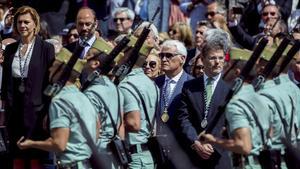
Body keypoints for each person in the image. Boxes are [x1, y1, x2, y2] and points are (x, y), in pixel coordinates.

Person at [17, 49, 99, 169]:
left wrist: (31, 143)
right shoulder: (83, 96)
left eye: (53, 66)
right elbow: (97, 130)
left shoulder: (60, 100)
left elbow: (59, 144)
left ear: (61, 71)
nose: (49, 70)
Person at [1, 6, 55, 169]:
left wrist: (48, 111)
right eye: (19, 22)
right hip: (15, 110)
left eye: (26, 22)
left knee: (34, 157)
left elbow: (50, 81)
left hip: (37, 111)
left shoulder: (46, 48)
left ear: (35, 24)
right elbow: (6, 83)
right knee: (17, 155)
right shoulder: (10, 49)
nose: (22, 25)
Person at [202, 48, 273, 169]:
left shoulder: (236, 103)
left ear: (236, 71)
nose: (223, 68)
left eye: (227, 65)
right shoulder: (261, 96)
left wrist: (213, 140)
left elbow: (244, 147)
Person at [176, 28, 231, 169]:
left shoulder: (231, 88)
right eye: (213, 58)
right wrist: (196, 142)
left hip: (220, 157)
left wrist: (214, 144)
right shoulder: (189, 86)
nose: (217, 62)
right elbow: (183, 118)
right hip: (194, 158)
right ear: (203, 59)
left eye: (220, 58)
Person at [117, 22, 158, 169]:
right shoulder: (150, 82)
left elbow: (134, 123)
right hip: (146, 156)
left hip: (134, 157)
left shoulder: (126, 85)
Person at [83, 39, 125, 169]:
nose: (84, 58)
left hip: (96, 156)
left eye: (88, 55)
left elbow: (91, 131)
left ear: (96, 63)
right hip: (112, 155)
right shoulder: (114, 88)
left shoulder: (92, 93)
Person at [154, 39, 194, 168]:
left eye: (169, 55)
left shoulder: (192, 85)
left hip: (181, 152)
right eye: (161, 55)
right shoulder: (155, 83)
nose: (164, 59)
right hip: (157, 150)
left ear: (182, 59)